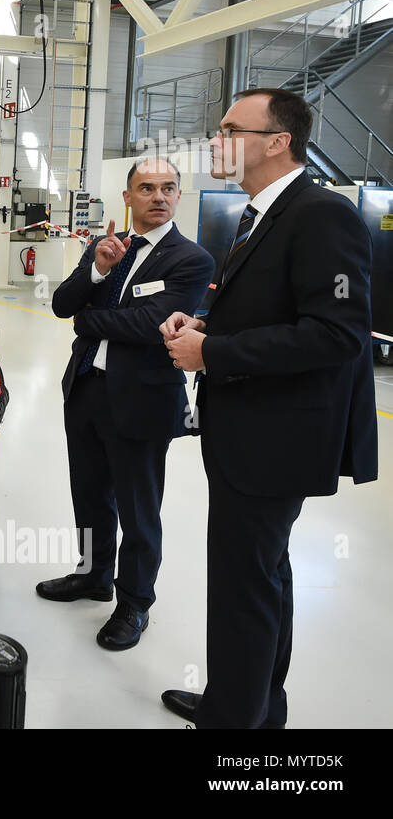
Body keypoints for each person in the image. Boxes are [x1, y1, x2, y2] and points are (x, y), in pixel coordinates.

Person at [161, 87, 378, 728]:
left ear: (277, 141)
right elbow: (272, 309)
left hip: (274, 443)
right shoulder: (261, 214)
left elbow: (338, 333)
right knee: (260, 578)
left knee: (243, 587)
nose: (217, 138)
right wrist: (202, 323)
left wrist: (214, 353)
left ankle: (234, 725)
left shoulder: (321, 215)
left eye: (232, 128)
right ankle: (251, 705)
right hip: (251, 435)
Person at [42, 158, 214, 650]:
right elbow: (61, 303)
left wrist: (89, 320)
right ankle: (94, 575)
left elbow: (150, 325)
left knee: (140, 509)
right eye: (146, 188)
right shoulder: (105, 247)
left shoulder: (190, 259)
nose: (158, 196)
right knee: (90, 494)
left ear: (179, 195)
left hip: (142, 401)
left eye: (168, 188)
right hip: (87, 389)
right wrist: (97, 269)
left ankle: (135, 603)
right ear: (127, 196)